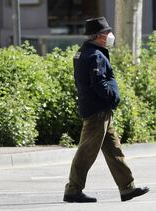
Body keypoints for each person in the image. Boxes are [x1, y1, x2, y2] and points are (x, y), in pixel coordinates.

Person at [63, 17, 149, 203]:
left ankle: (127, 188)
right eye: (107, 32)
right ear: (100, 36)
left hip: (98, 110)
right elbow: (98, 82)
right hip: (98, 111)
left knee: (113, 150)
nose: (110, 35)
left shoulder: (84, 51)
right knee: (86, 152)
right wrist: (113, 97)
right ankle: (73, 190)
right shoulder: (95, 55)